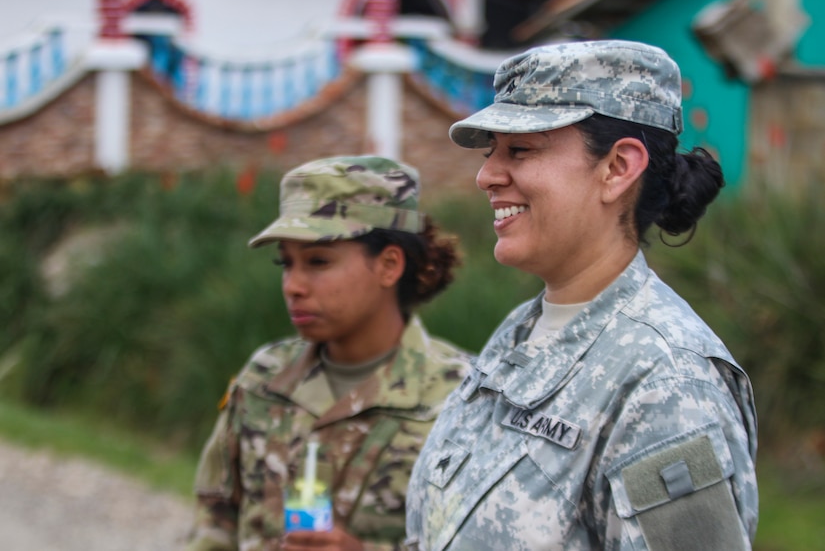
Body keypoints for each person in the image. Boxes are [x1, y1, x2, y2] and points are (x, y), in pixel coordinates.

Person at [405, 40, 758, 550]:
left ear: (617, 168)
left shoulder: (666, 383)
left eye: (520, 150)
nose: (486, 176)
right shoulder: (520, 333)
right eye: (491, 152)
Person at [185, 155, 472, 551]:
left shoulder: (462, 399)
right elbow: (214, 519)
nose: (293, 286)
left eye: (318, 261)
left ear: (388, 265)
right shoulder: (264, 379)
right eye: (286, 263)